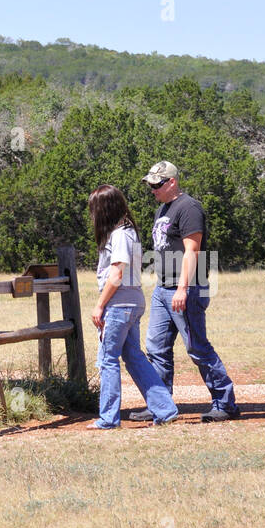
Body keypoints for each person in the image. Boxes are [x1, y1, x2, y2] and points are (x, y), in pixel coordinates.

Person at [131, 161, 240, 424]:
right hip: (163, 287)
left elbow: (193, 251)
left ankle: (225, 404)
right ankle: (160, 404)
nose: (153, 190)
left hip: (186, 287)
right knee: (156, 347)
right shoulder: (162, 209)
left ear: (172, 182)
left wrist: (183, 288)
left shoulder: (189, 207)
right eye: (151, 185)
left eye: (157, 185)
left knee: (197, 348)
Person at [86, 184, 179, 430]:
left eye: (95, 209)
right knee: (134, 357)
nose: (93, 215)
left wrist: (99, 305)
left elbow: (116, 273)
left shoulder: (119, 235)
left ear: (105, 209)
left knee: (107, 359)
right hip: (132, 301)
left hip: (119, 304)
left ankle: (108, 418)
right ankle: (165, 409)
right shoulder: (128, 231)